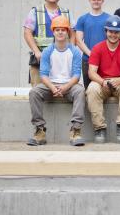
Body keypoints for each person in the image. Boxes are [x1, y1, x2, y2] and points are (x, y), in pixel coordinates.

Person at [27, 16, 86, 147]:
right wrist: (53, 88)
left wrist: (65, 87)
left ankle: (75, 131)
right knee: (34, 92)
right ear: (53, 32)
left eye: (63, 30)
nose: (60, 32)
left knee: (80, 91)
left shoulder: (74, 51)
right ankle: (40, 131)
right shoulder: (47, 51)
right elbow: (43, 75)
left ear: (67, 32)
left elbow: (76, 75)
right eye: (57, 29)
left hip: (69, 85)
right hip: (50, 85)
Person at [86, 15, 120, 144]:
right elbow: (91, 73)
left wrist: (119, 80)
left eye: (117, 32)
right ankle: (100, 128)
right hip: (103, 82)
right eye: (111, 31)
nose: (113, 34)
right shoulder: (97, 48)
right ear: (106, 31)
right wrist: (103, 82)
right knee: (92, 88)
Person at [23, 0, 76, 87]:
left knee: (62, 91)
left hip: (62, 59)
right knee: (39, 90)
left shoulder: (66, 12)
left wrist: (71, 51)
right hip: (41, 59)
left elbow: (73, 34)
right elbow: (27, 33)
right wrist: (36, 52)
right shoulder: (35, 12)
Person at [75, 0, 110, 89]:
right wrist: (91, 54)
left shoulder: (109, 18)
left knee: (105, 89)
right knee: (88, 89)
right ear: (89, 0)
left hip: (105, 59)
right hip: (87, 59)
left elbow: (113, 39)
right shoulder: (83, 19)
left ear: (102, 0)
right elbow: (78, 40)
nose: (96, 1)